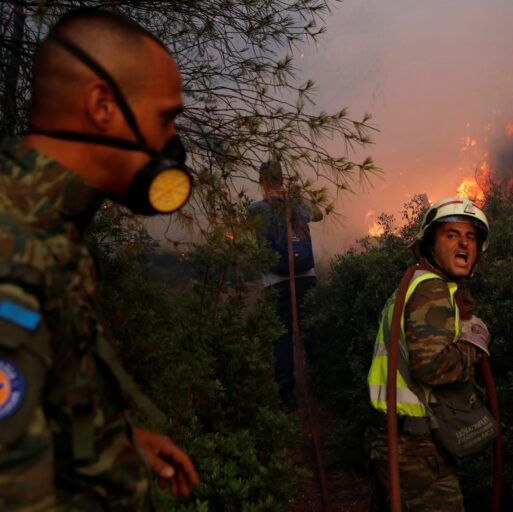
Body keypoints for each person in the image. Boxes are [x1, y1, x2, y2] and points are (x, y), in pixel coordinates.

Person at [0, 8, 199, 510]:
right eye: (164, 117)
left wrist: (113, 439)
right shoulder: (16, 253)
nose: (170, 143)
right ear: (102, 106)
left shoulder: (46, 223)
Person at [367, 197, 492, 511]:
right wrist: (472, 343)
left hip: (397, 438)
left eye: (471, 237)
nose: (463, 244)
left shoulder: (419, 283)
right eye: (451, 235)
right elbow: (431, 366)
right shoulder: (431, 290)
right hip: (413, 448)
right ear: (429, 245)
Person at [248, 161, 323, 411]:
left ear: (262, 181)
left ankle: (287, 395)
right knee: (311, 330)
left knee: (281, 337)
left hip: (275, 282)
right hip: (306, 277)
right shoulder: (298, 203)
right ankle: (321, 383)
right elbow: (320, 214)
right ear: (281, 178)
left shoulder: (256, 209)